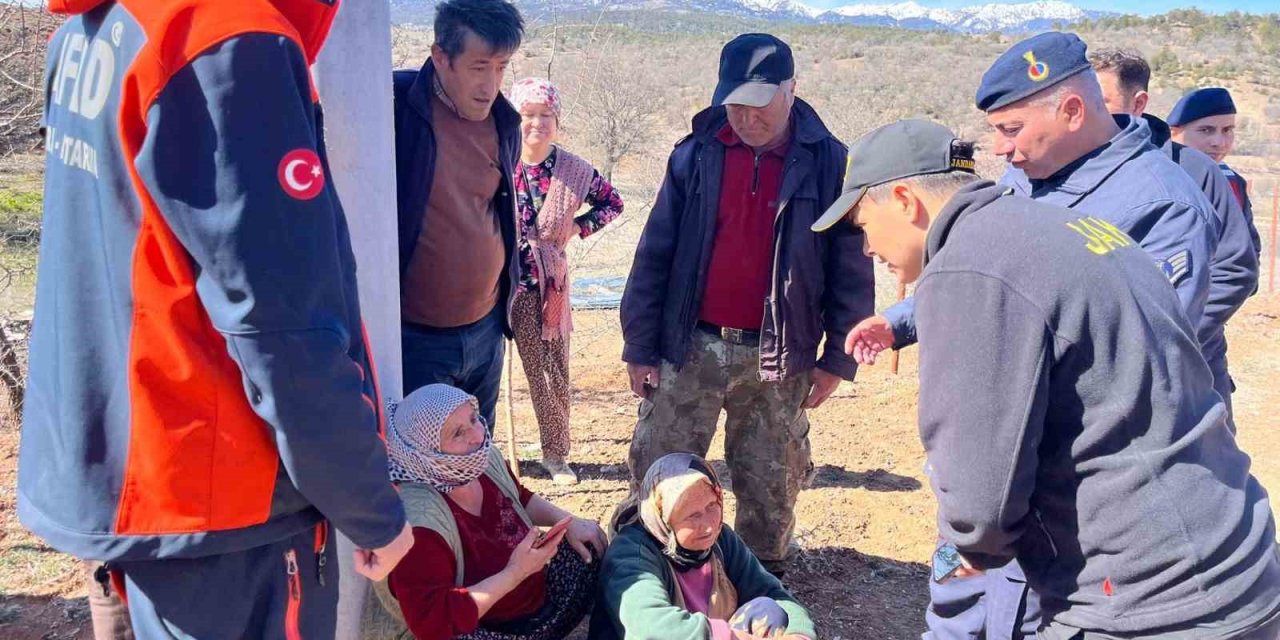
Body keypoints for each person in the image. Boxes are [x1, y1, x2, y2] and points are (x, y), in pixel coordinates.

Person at [20, 0, 414, 637]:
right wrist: (369, 508)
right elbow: (282, 326)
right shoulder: (227, 37)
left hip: (143, 473)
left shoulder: (99, 27)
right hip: (225, 496)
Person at [813, 118, 1280, 639]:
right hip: (1236, 553)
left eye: (862, 224)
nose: (867, 246)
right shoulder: (1061, 225)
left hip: (1146, 598)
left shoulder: (967, 269)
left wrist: (967, 549)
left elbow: (979, 492)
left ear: (904, 199)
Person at [619, 33, 875, 576]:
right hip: (689, 345)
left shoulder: (830, 163)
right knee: (660, 463)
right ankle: (646, 568)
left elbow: (851, 264)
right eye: (733, 103)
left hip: (781, 354)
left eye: (758, 104)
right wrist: (639, 346)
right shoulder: (696, 154)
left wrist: (837, 359)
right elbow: (655, 253)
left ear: (791, 91)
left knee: (771, 476)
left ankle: (763, 579)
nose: (745, 117)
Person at [1091, 49, 1260, 428]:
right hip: (1099, 369)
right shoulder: (1073, 169)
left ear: (1138, 103)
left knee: (1206, 468)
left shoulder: (1196, 171)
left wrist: (1168, 339)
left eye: (1100, 101)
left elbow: (1235, 269)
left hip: (1190, 359)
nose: (1086, 111)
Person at [363, 384, 604, 640]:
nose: (477, 435)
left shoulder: (480, 460)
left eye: (473, 419)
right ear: (425, 452)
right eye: (458, 433)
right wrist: (516, 572)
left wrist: (568, 522)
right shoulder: (418, 524)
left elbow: (518, 496)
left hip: (529, 613)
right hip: (475, 629)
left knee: (588, 544)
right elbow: (435, 625)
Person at [393, 0, 525, 429]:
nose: (490, 85)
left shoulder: (503, 123)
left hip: (485, 331)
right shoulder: (395, 110)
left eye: (501, 67)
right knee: (426, 468)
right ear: (440, 57)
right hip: (416, 337)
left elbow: (495, 210)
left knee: (478, 462)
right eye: (479, 66)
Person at [508, 77, 625, 485]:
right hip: (490, 281)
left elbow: (613, 203)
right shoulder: (495, 159)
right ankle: (478, 455)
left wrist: (578, 226)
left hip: (545, 286)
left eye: (545, 116)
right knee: (478, 366)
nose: (536, 124)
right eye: (527, 115)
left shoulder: (575, 170)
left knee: (549, 373)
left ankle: (555, 455)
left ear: (557, 121)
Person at [590, 453, 817, 640]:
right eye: (692, 516)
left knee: (769, 610)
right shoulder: (632, 555)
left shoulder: (722, 539)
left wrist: (799, 634)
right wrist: (732, 637)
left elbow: (773, 593)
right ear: (663, 518)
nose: (709, 526)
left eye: (712, 506)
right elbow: (651, 628)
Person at [1169, 87, 1264, 262]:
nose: (1218, 142)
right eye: (1205, 130)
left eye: (1227, 130)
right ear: (1174, 133)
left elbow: (1247, 252)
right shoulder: (1153, 176)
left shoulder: (1232, 181)